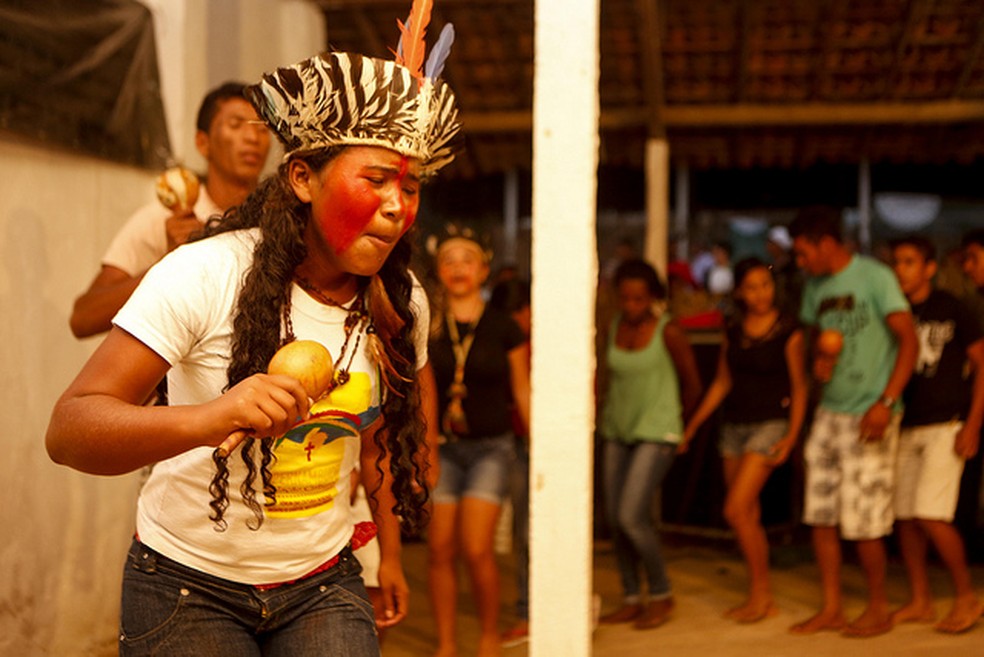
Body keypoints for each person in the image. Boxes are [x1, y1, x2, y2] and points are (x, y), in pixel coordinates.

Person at [45, 10, 462, 654]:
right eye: (375, 179)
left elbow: (380, 440)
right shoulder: (206, 273)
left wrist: (389, 558)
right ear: (302, 177)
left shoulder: (402, 301)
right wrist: (216, 416)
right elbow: (70, 430)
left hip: (322, 583)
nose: (396, 206)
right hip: (186, 586)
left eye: (410, 186)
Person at [787, 206, 918, 638]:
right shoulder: (814, 287)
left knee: (864, 521)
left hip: (871, 412)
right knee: (821, 514)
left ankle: (878, 608)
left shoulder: (876, 277)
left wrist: (886, 401)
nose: (800, 262)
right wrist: (820, 361)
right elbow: (813, 344)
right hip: (830, 412)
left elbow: (909, 341)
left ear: (826, 244)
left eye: (804, 253)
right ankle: (832, 608)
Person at [69, 81, 272, 338]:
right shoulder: (165, 219)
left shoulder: (277, 219)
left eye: (263, 128)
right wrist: (170, 263)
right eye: (235, 125)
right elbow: (83, 318)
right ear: (202, 142)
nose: (253, 137)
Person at [680, 257, 808, 623]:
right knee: (747, 515)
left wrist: (792, 437)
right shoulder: (733, 330)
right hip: (733, 428)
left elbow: (800, 388)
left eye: (764, 285)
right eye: (751, 287)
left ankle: (762, 594)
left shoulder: (788, 330)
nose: (760, 294)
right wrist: (693, 426)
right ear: (739, 291)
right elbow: (722, 382)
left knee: (734, 509)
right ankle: (760, 594)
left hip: (771, 426)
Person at [426, 225, 531, 657]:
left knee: (475, 547)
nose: (458, 269)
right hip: (443, 447)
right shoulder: (429, 325)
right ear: (438, 272)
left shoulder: (504, 326)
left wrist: (541, 444)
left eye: (467, 261)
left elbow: (522, 388)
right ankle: (447, 644)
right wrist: (424, 445)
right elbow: (421, 389)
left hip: (491, 447)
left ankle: (489, 637)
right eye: (449, 262)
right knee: (438, 548)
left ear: (484, 270)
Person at [598, 259, 703, 630]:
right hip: (617, 428)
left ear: (653, 297)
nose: (631, 305)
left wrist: (679, 425)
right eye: (625, 298)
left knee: (631, 515)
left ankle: (661, 593)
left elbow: (693, 385)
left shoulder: (668, 331)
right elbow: (606, 379)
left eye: (639, 298)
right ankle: (630, 596)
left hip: (657, 431)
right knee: (614, 518)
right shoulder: (613, 327)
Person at [889, 235, 984, 634]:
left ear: (929, 268)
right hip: (905, 423)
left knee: (932, 513)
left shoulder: (953, 307)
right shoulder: (892, 313)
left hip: (946, 422)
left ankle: (967, 596)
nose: (900, 269)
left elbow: (982, 365)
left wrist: (974, 423)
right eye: (897, 261)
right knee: (907, 517)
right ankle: (920, 598)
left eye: (910, 261)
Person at [488, 278, 532, 647]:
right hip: (510, 442)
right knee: (520, 532)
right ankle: (526, 609)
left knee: (529, 531)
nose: (516, 321)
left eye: (519, 313)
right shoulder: (505, 342)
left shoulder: (542, 344)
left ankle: (530, 611)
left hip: (533, 443)